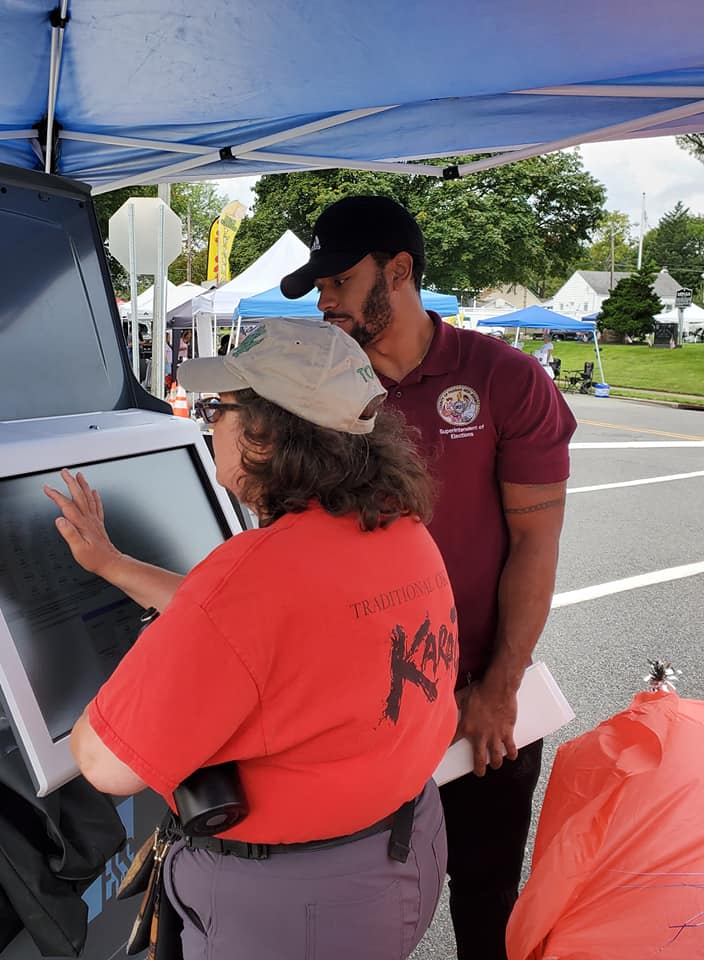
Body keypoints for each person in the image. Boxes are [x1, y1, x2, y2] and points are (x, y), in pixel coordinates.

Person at [44, 317, 459, 960]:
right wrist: (113, 565)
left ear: (266, 433)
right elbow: (275, 628)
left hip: (299, 907)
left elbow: (106, 764)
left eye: (222, 408)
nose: (212, 424)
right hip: (404, 851)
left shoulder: (256, 574)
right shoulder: (400, 532)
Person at [280, 196, 577, 960]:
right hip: (358, 708)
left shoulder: (504, 379)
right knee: (353, 908)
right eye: (321, 287)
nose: (326, 301)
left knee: (486, 903)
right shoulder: (318, 396)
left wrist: (501, 687)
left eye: (339, 280)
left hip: (482, 699)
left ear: (400, 271)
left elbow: (536, 540)